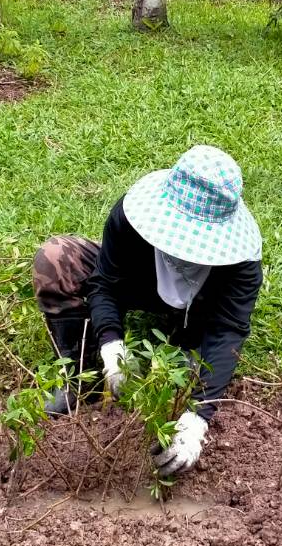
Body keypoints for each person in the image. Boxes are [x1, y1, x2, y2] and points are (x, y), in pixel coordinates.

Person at [31, 145, 263, 477]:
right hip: (141, 282)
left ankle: (184, 346)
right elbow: (105, 283)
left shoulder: (241, 264)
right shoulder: (130, 220)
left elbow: (228, 328)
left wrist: (198, 416)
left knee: (188, 375)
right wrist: (111, 343)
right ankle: (79, 377)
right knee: (55, 257)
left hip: (199, 309)